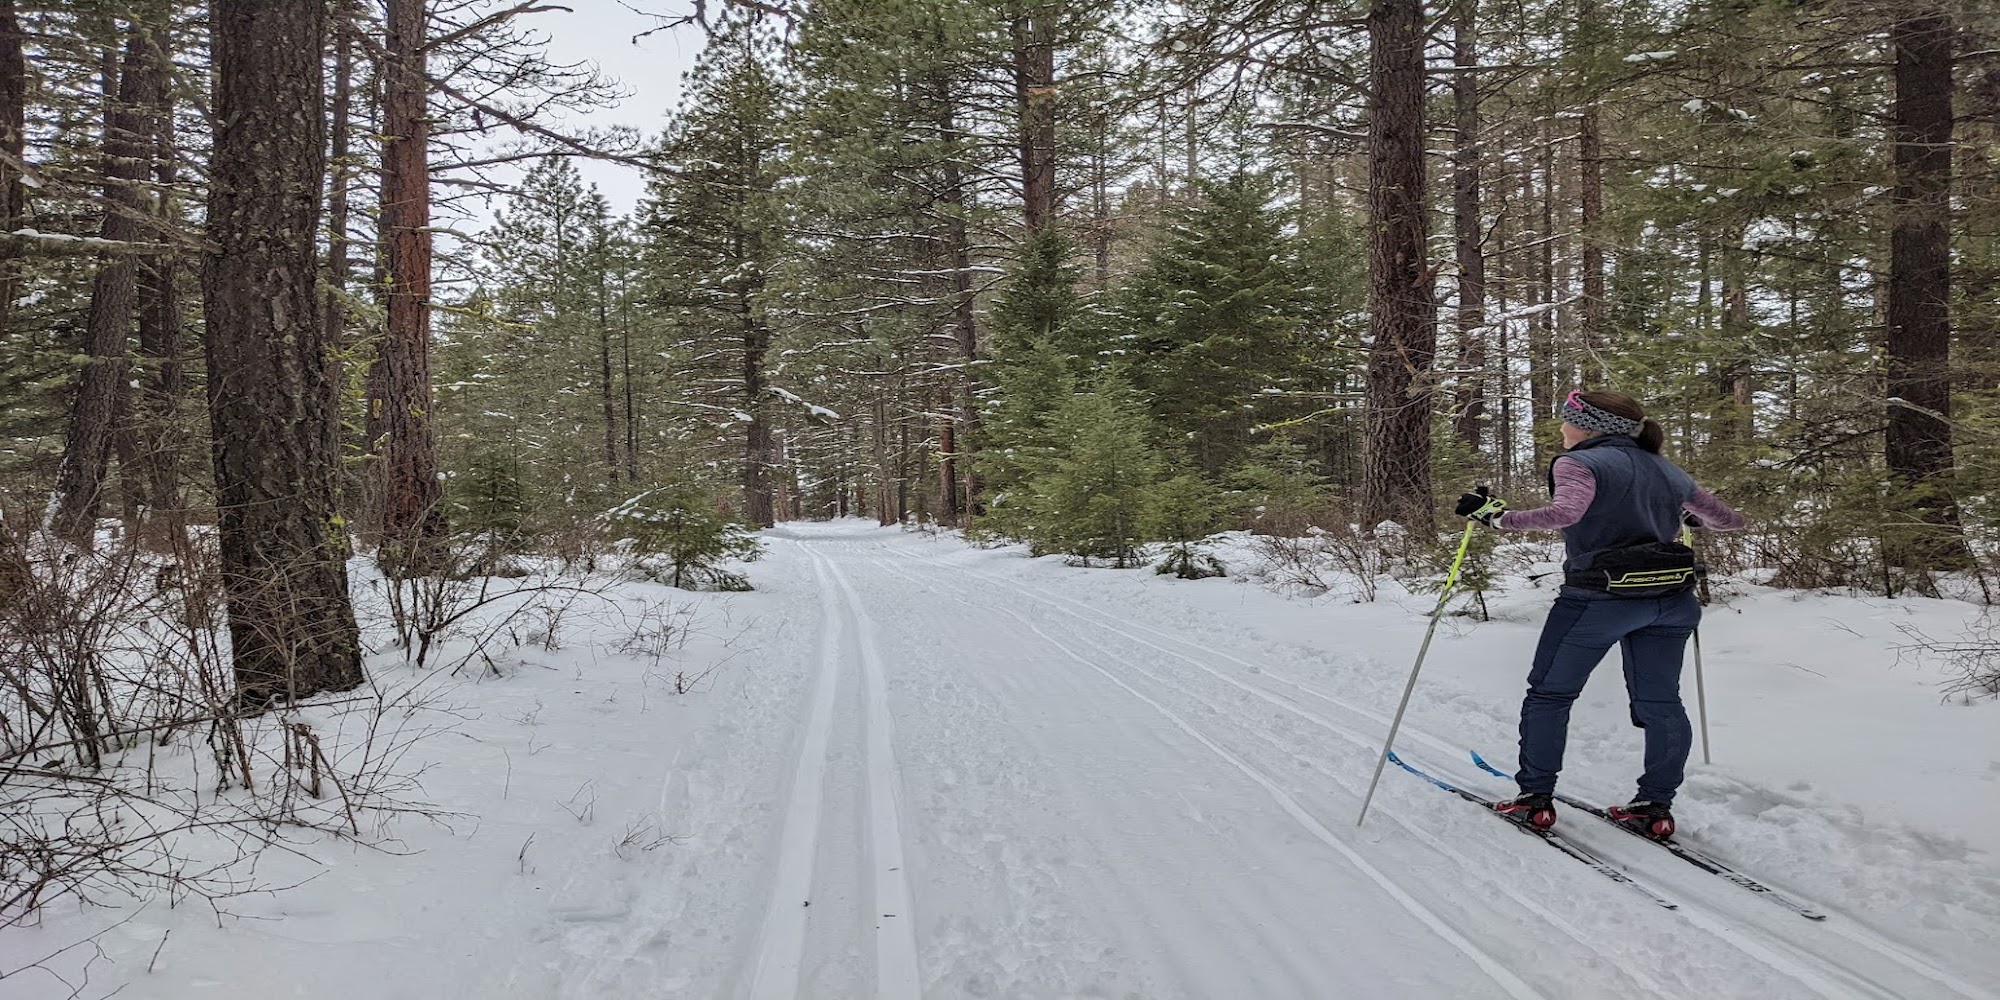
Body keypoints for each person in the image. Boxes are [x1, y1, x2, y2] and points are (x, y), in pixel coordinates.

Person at [1453, 389, 1743, 839]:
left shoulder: (1579, 462)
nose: (1562, 430)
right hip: (1671, 602)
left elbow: (1565, 513)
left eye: (1567, 421)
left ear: (1588, 426)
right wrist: (1693, 520)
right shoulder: (1666, 468)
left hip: (1598, 601)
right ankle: (1655, 807)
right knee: (1662, 702)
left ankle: (1534, 802)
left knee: (1550, 695)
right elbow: (1729, 520)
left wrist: (1496, 518)